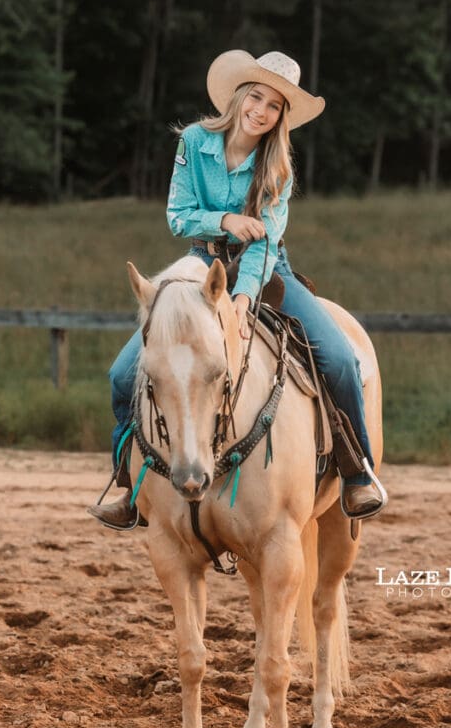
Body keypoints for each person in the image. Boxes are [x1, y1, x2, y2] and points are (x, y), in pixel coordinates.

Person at [89, 49, 385, 530]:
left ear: (281, 117)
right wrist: (224, 220)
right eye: (256, 97)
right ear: (240, 95)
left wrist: (244, 297)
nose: (261, 111)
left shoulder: (279, 168)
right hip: (200, 262)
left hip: (265, 270)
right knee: (124, 372)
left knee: (339, 358)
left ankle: (356, 472)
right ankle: (129, 485)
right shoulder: (193, 141)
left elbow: (266, 242)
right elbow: (177, 215)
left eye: (274, 106)